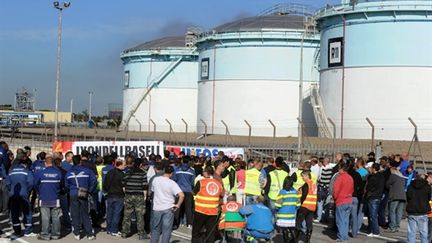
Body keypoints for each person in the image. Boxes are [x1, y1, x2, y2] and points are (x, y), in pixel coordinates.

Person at [65, 156, 97, 240]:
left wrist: (71, 190)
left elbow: (66, 185)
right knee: (85, 213)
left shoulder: (69, 173)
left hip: (73, 193)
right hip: (83, 193)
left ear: (73, 162)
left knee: (74, 214)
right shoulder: (88, 171)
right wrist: (89, 191)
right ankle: (89, 234)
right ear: (80, 162)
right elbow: (94, 181)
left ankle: (77, 233)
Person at [151, 166, 184, 243]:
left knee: (155, 229)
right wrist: (178, 205)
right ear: (171, 174)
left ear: (164, 171)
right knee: (167, 230)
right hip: (168, 208)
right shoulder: (172, 183)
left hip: (157, 207)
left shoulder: (156, 179)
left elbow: (153, 190)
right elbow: (181, 195)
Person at [34, 153, 62, 240]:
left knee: (45, 217)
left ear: (45, 163)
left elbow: (35, 184)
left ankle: (45, 234)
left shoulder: (41, 173)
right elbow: (62, 185)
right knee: (56, 217)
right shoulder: (58, 173)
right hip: (55, 197)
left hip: (44, 197)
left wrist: (40, 191)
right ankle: (56, 234)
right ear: (53, 163)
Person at [192, 166, 223, 243]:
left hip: (200, 210)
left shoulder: (201, 182)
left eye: (203, 172)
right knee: (210, 232)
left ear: (206, 173)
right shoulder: (218, 184)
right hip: (213, 211)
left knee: (196, 231)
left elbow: (194, 192)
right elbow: (221, 195)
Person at [6, 153, 35, 237]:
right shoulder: (27, 171)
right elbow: (31, 182)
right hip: (24, 194)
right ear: (24, 164)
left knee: (14, 212)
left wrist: (11, 190)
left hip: (13, 194)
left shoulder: (10, 171)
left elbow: (7, 183)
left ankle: (17, 231)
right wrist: (27, 190)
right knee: (27, 212)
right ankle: (28, 231)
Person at [121, 158, 148, 239]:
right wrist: (145, 197)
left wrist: (126, 193)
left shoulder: (127, 172)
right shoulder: (143, 173)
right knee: (140, 215)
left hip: (128, 195)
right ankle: (141, 233)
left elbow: (123, 184)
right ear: (140, 165)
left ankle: (125, 232)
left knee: (127, 214)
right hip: (139, 196)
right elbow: (144, 187)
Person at [103, 159, 125, 237]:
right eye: (123, 164)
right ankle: (114, 230)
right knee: (116, 213)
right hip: (119, 196)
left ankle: (109, 229)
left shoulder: (110, 172)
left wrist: (106, 191)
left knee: (110, 213)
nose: (124, 166)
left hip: (110, 195)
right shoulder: (122, 174)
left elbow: (104, 183)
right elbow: (124, 186)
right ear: (120, 165)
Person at [406, 174, 431, 243]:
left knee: (411, 233)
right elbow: (429, 198)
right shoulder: (427, 186)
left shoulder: (410, 186)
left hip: (412, 211)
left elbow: (408, 197)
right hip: (423, 211)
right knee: (424, 234)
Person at [275, 176, 300, 243]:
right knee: (292, 229)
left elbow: (278, 205)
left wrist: (277, 210)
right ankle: (295, 241)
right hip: (291, 215)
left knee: (284, 230)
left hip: (283, 215)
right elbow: (298, 205)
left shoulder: (282, 192)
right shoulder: (296, 192)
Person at [332, 163, 353, 242]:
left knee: (340, 220)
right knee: (345, 220)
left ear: (341, 169)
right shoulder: (350, 177)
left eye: (339, 168)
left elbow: (336, 190)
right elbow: (352, 189)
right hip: (349, 200)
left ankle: (341, 237)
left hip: (341, 201)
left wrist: (335, 197)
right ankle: (344, 237)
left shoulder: (340, 177)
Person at [172, 155, 195, 228]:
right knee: (188, 208)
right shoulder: (192, 171)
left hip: (179, 191)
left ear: (182, 161)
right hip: (188, 191)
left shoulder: (177, 170)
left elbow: (174, 180)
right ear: (189, 162)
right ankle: (189, 224)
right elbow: (192, 182)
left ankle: (176, 223)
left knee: (177, 207)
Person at [386, 160, 407, 233]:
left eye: (391, 170)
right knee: (399, 212)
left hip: (395, 196)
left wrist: (391, 187)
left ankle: (393, 226)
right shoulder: (402, 177)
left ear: (393, 170)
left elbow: (387, 185)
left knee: (392, 211)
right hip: (403, 196)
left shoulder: (393, 176)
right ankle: (397, 226)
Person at [296, 171, 317, 243]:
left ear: (307, 176)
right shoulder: (313, 184)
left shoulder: (306, 184)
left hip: (305, 205)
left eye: (303, 176)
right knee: (309, 223)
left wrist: (300, 204)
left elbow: (303, 196)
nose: (302, 177)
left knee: (298, 222)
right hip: (312, 206)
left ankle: (295, 239)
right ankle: (307, 240)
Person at [364, 163, 385, 238]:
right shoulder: (381, 176)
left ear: (373, 168)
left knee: (372, 215)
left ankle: (375, 231)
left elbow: (369, 187)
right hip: (378, 197)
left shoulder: (373, 177)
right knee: (373, 215)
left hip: (373, 197)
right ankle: (372, 230)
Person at [316, 157, 333, 223]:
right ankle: (326, 217)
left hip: (322, 188)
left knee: (320, 203)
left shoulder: (321, 169)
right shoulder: (331, 169)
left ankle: (319, 217)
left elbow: (319, 178)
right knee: (327, 204)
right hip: (328, 188)